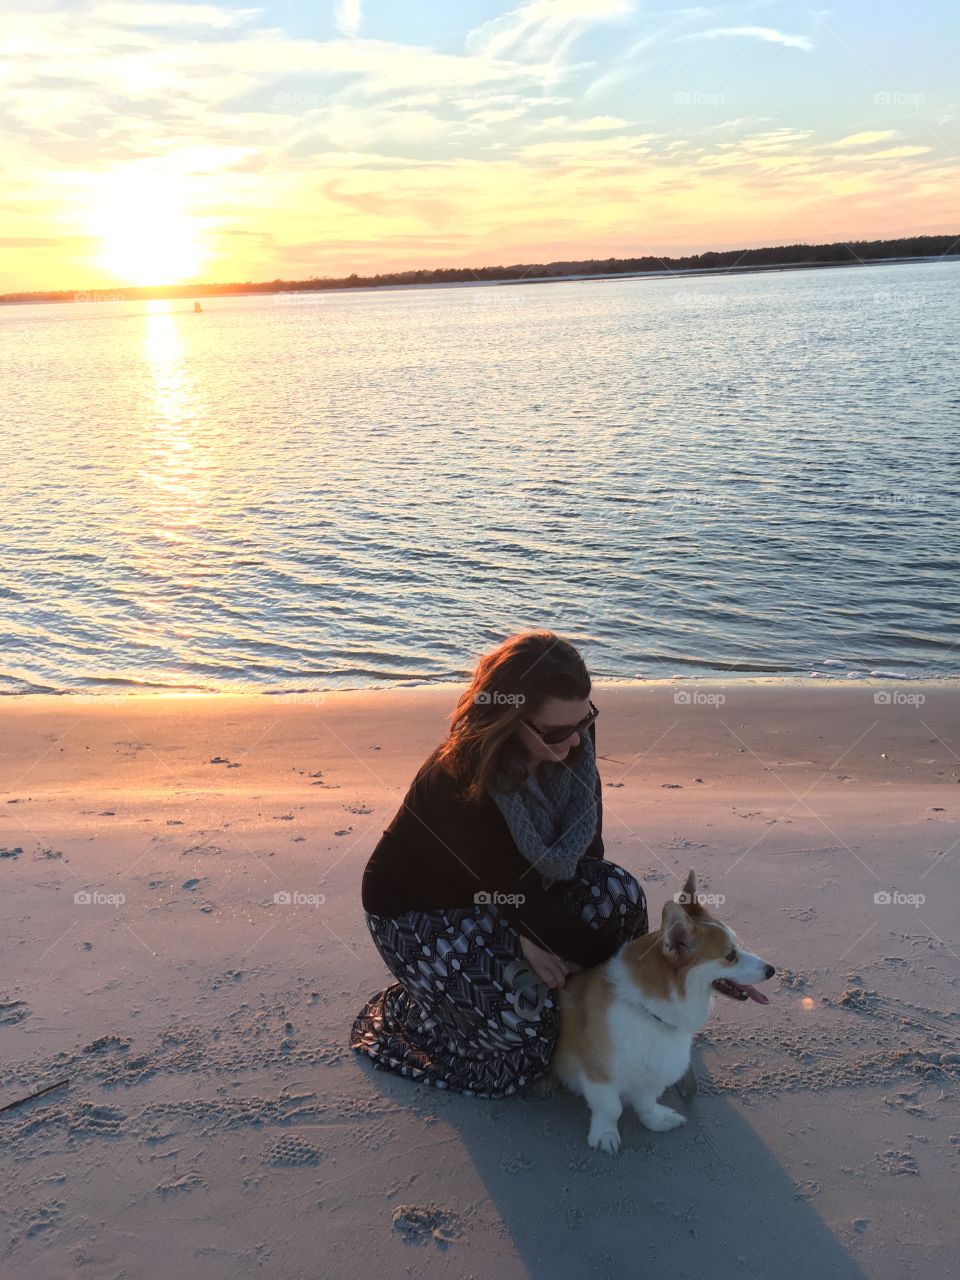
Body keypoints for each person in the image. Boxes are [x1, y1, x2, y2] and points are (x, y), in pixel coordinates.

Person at [350, 630, 650, 1100]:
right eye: (555, 732)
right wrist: (628, 974)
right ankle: (431, 1010)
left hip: (510, 892)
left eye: (584, 720)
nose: (574, 741)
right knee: (527, 1026)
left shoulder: (572, 737)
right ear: (509, 720)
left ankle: (600, 1005)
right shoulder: (461, 778)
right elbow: (514, 893)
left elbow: (586, 852)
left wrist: (545, 932)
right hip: (424, 911)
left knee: (619, 893)